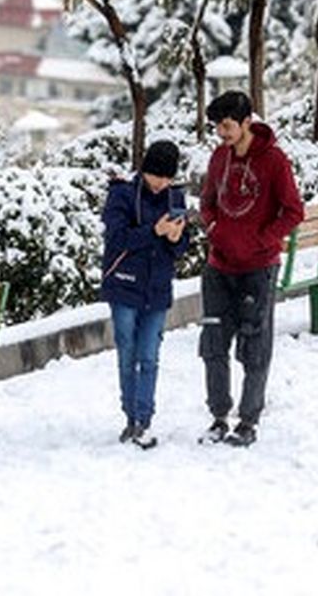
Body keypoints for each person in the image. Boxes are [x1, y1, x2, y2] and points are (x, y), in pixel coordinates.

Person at [198, 90, 303, 446]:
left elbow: (293, 211)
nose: (222, 133)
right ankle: (217, 415)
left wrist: (261, 240)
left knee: (255, 345)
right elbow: (208, 202)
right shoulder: (218, 157)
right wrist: (213, 229)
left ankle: (248, 421)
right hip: (218, 267)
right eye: (218, 127)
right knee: (213, 343)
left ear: (247, 123)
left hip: (257, 268)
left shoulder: (274, 161)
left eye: (227, 126)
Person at [99, 139, 190, 448]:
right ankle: (130, 417)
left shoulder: (174, 197)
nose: (161, 183)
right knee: (128, 353)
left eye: (167, 178)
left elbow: (180, 248)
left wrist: (177, 237)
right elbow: (117, 238)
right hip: (124, 285)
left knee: (149, 356)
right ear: (145, 170)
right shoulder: (122, 195)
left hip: (157, 287)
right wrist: (154, 231)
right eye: (156, 176)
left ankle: (144, 418)